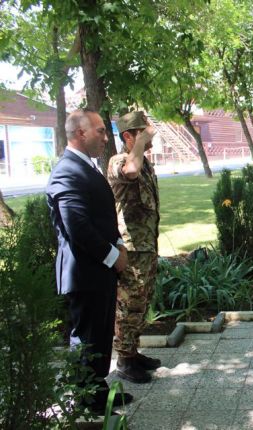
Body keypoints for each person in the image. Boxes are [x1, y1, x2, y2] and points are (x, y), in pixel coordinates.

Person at [46, 109, 133, 412]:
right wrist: (113, 257)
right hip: (85, 272)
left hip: (99, 269)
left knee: (100, 335)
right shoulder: (66, 171)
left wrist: (119, 244)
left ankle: (97, 390)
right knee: (87, 338)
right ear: (80, 133)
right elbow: (77, 226)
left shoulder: (86, 166)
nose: (106, 137)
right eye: (100, 131)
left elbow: (102, 217)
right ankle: (86, 399)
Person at [107, 111, 161, 384]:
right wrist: (139, 142)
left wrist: (141, 141)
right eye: (143, 132)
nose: (150, 137)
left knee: (142, 301)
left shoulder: (144, 162)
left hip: (147, 245)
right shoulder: (118, 161)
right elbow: (130, 171)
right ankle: (124, 360)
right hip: (131, 249)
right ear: (128, 136)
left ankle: (133, 352)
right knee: (129, 305)